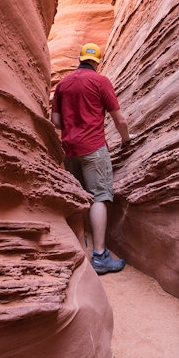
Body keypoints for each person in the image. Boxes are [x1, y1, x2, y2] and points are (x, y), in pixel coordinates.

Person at [51, 42, 131, 275]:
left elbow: (56, 122)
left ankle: (78, 251)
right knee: (99, 197)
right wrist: (126, 139)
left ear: (79, 58)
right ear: (97, 61)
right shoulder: (100, 81)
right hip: (94, 148)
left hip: (70, 149)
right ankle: (99, 256)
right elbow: (120, 120)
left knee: (77, 197)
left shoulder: (62, 84)